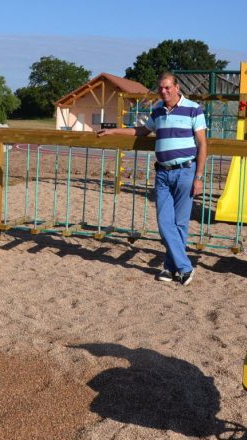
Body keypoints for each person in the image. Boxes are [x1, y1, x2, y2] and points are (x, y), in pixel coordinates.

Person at [98, 72, 207, 286]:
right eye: (160, 88)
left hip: (186, 171)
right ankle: (184, 267)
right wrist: (114, 132)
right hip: (163, 173)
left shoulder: (193, 108)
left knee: (179, 223)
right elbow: (142, 131)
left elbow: (202, 144)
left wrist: (199, 177)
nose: (163, 91)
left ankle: (170, 267)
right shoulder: (157, 109)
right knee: (164, 222)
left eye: (167, 87)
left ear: (177, 87)